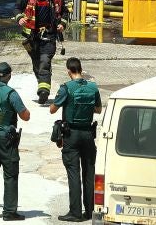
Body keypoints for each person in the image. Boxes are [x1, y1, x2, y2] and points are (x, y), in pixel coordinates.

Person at [49, 57, 103, 222]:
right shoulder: (93, 87)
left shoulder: (66, 88)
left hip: (71, 135)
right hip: (88, 134)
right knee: (89, 172)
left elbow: (52, 109)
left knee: (73, 173)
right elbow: (99, 110)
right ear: (81, 69)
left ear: (68, 71)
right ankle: (90, 210)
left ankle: (75, 212)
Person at [0, 62, 31, 221]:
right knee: (10, 175)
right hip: (6, 139)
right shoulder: (11, 93)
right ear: (9, 75)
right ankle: (9, 212)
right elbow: (25, 116)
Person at [15, 0, 68, 104]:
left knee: (45, 62)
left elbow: (65, 12)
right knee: (36, 64)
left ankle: (44, 92)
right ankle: (42, 85)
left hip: (49, 36)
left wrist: (62, 24)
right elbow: (17, 8)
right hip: (32, 37)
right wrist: (20, 18)